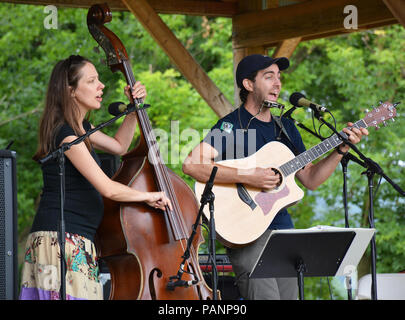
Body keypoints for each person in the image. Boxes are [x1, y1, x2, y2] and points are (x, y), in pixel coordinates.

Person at [182, 54, 368, 300]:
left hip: (284, 236)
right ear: (249, 85)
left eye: (279, 77)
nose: (278, 83)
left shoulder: (287, 128)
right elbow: (192, 164)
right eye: (269, 77)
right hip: (246, 233)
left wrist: (340, 149)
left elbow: (311, 178)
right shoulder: (231, 126)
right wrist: (249, 176)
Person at [19, 55, 172, 300]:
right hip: (61, 240)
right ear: (70, 91)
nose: (101, 86)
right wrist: (148, 196)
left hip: (75, 239)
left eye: (99, 80)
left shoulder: (82, 129)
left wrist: (133, 109)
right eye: (92, 81)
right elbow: (107, 188)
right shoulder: (66, 134)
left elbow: (120, 146)